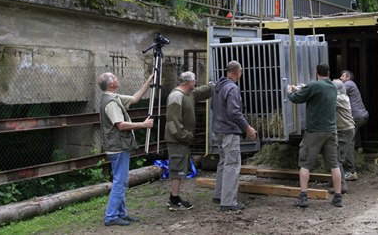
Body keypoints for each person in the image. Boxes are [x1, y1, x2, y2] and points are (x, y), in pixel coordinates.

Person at [96, 72, 154, 226]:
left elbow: (135, 98)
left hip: (117, 147)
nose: (117, 78)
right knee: (120, 182)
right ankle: (111, 217)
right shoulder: (112, 102)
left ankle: (121, 214)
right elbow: (120, 125)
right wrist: (143, 125)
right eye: (114, 77)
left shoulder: (112, 97)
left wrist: (149, 81)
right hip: (118, 147)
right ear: (110, 84)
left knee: (121, 180)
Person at [288, 63, 343, 208]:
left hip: (314, 131)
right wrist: (304, 87)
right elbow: (315, 91)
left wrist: (289, 91)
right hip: (331, 131)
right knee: (334, 164)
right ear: (329, 73)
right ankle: (338, 197)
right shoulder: (332, 87)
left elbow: (296, 98)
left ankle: (303, 196)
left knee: (305, 164)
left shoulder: (314, 86)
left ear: (316, 72)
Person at [211, 60, 257, 211]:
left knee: (223, 163)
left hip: (218, 130)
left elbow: (213, 107)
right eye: (241, 71)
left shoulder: (218, 87)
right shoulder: (232, 88)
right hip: (229, 131)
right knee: (232, 164)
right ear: (237, 72)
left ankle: (219, 195)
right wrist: (247, 128)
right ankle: (229, 202)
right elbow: (234, 112)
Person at [165, 71, 214, 211]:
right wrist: (185, 135)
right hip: (177, 140)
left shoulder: (188, 94)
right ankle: (174, 200)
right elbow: (172, 122)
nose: (196, 82)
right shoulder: (176, 96)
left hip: (182, 140)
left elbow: (200, 92)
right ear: (188, 82)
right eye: (194, 80)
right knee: (176, 170)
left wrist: (214, 86)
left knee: (180, 169)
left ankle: (175, 197)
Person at [340, 69, 369, 181]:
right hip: (361, 116)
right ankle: (360, 147)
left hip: (356, 117)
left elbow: (336, 92)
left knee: (348, 143)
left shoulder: (348, 84)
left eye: (342, 76)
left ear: (348, 77)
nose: (340, 77)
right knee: (352, 134)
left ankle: (352, 171)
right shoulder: (351, 84)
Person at [331, 79, 354, 194]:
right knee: (335, 156)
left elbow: (325, 97)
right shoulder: (343, 97)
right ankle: (335, 181)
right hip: (345, 130)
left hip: (345, 130)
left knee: (337, 159)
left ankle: (342, 185)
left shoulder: (339, 99)